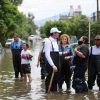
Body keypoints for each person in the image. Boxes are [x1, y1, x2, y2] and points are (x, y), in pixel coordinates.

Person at [44, 27, 61, 93]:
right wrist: (53, 65)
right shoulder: (48, 41)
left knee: (55, 80)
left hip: (56, 63)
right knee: (49, 79)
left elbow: (56, 52)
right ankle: (47, 94)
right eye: (57, 33)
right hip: (51, 64)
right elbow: (47, 55)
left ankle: (54, 95)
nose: (58, 34)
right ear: (54, 33)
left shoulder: (55, 41)